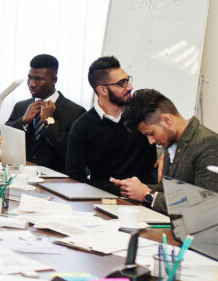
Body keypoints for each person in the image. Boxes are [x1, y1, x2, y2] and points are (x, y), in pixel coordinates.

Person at [113, 88, 218, 222]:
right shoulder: (173, 144)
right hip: (177, 225)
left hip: (201, 233)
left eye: (151, 133)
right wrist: (135, 188)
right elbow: (168, 190)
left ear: (166, 120)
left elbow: (206, 207)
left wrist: (148, 195)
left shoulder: (209, 145)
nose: (151, 141)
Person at [65, 56, 156, 196]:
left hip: (144, 197)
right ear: (102, 90)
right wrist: (117, 190)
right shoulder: (82, 126)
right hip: (102, 198)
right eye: (122, 83)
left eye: (128, 80)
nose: (130, 87)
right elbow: (75, 177)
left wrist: (168, 154)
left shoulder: (143, 115)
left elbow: (172, 130)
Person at [4, 54, 85, 172]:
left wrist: (49, 121)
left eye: (38, 79)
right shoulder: (21, 106)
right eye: (29, 77)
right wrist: (22, 121)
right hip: (21, 174)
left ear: (54, 80)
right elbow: (4, 139)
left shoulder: (76, 112)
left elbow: (71, 152)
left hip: (56, 179)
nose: (31, 83)